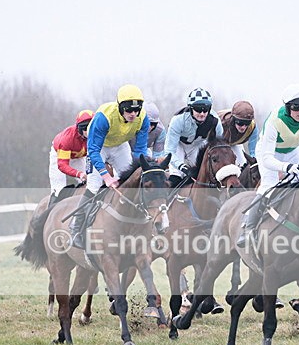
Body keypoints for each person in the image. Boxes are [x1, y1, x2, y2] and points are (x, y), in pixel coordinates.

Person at [235, 84, 299, 248]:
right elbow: (267, 159)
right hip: (269, 152)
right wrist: (286, 168)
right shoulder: (275, 120)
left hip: (293, 151)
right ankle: (248, 228)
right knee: (269, 185)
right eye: (297, 108)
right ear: (288, 107)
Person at [69, 84, 151, 248]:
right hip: (99, 148)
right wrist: (106, 176)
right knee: (94, 184)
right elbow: (92, 151)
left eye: (137, 110)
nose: (133, 114)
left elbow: (140, 149)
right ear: (120, 107)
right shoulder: (103, 117)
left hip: (120, 146)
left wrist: (136, 170)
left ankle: (140, 222)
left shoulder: (143, 119)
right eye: (129, 110)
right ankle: (76, 227)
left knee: (134, 181)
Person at [164, 88, 224, 187]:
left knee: (201, 176)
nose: (202, 113)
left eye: (206, 109)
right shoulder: (178, 120)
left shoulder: (215, 120)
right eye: (198, 109)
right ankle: (167, 200)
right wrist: (182, 167)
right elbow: (169, 150)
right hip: (179, 146)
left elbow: (220, 146)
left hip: (197, 146)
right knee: (177, 176)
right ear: (191, 108)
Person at [49, 110, 93, 207]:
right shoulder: (67, 139)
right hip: (59, 155)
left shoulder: (96, 135)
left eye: (92, 127)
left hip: (79, 157)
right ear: (79, 128)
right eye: (86, 128)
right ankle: (49, 213)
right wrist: (79, 174)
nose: (89, 131)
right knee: (59, 188)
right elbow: (62, 165)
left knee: (91, 181)